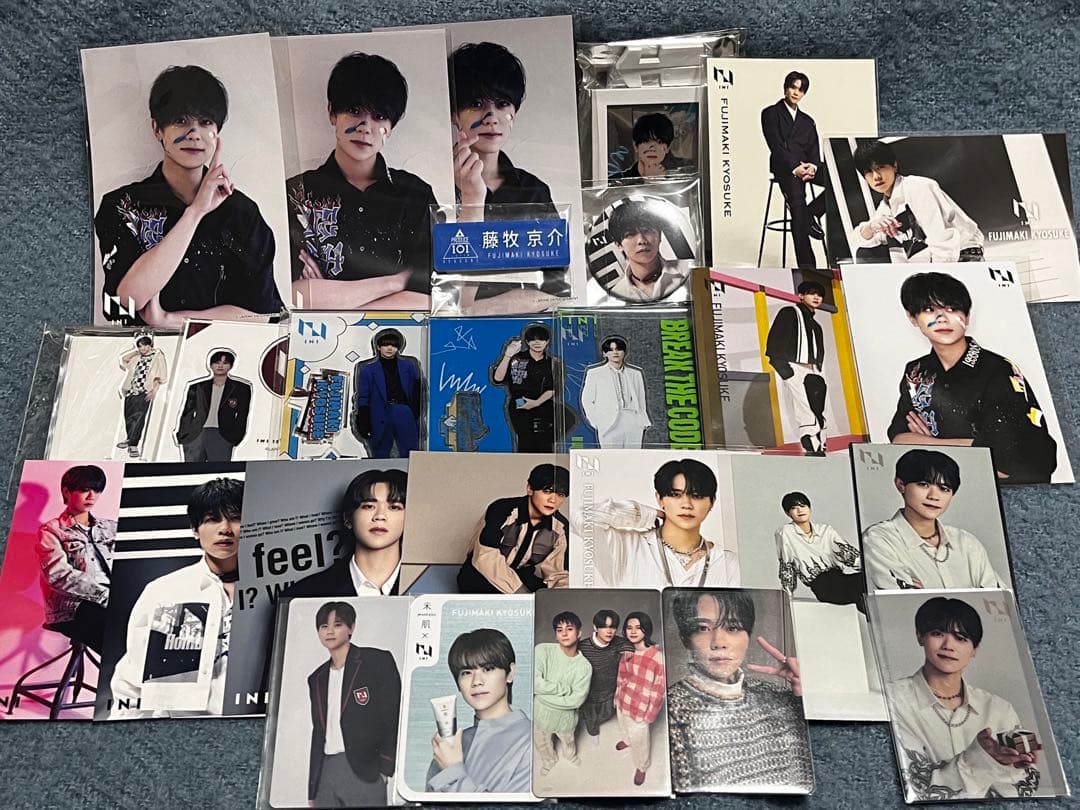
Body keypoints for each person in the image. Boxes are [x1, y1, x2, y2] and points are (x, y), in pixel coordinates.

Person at [94, 65, 283, 327]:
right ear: (157, 129)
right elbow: (121, 305)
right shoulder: (123, 206)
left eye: (205, 122)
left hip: (224, 349)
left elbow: (263, 315)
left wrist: (174, 320)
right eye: (180, 120)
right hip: (144, 348)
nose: (194, 134)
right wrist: (194, 213)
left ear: (217, 132)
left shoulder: (241, 213)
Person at [287, 53, 435, 311]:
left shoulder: (415, 194)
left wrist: (335, 304)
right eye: (354, 111)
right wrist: (395, 282)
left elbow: (428, 298)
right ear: (332, 114)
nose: (365, 127)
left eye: (379, 116)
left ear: (391, 127)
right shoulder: (297, 194)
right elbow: (293, 296)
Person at [885, 271, 1058, 483]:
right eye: (929, 310)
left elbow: (1007, 458)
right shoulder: (916, 371)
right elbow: (898, 440)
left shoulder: (998, 370)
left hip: (1011, 490)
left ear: (966, 317)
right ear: (913, 318)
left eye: (952, 309)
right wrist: (970, 448)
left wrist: (929, 444)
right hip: (948, 485)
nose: (942, 318)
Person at [449, 41, 566, 315]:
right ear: (455, 115)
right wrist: (472, 200)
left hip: (527, 329)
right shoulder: (431, 188)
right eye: (476, 104)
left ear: (514, 113)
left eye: (502, 104)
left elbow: (557, 292)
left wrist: (483, 308)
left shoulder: (533, 191)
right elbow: (449, 301)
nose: (492, 118)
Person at [110, 477, 242, 717]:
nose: (225, 528)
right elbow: (132, 676)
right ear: (195, 530)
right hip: (179, 725)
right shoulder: (165, 591)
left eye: (235, 517)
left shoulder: (274, 589)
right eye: (212, 519)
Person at [889, 597, 1040, 800]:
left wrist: (1003, 762)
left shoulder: (999, 709)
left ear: (974, 649)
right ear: (920, 636)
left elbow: (1024, 786)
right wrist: (982, 760)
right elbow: (915, 787)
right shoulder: (893, 699)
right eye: (937, 633)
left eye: (961, 638)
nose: (948, 645)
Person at [667, 590, 813, 793]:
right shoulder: (671, 709)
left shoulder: (781, 697)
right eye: (703, 628)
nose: (719, 642)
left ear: (748, 635)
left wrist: (808, 696)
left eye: (732, 627)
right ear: (685, 638)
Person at [862, 449, 1005, 592]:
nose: (934, 496)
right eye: (923, 484)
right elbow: (902, 600)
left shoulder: (966, 542)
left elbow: (998, 599)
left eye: (944, 488)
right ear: (901, 485)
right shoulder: (879, 538)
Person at [587, 458, 740, 589]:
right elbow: (582, 518)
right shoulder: (626, 547)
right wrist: (644, 515)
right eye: (675, 495)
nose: (686, 504)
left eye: (697, 495)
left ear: (712, 502)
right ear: (660, 499)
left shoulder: (728, 564)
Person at [306, 601, 401, 807]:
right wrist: (313, 787)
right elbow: (318, 731)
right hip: (325, 771)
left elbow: (393, 715)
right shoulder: (317, 678)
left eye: (337, 624)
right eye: (324, 626)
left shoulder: (376, 661)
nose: (330, 631)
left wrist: (385, 767)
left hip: (364, 768)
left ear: (351, 628)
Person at [426, 628, 532, 793]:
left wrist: (452, 772)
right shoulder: (451, 746)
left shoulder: (535, 740)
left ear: (510, 673)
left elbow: (513, 806)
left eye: (488, 669)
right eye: (466, 672)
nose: (476, 681)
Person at [279, 469, 408, 599]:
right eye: (368, 506)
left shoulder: (421, 588)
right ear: (348, 518)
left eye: (394, 507)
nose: (380, 516)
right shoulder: (301, 595)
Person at [850, 139, 984, 263]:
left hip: (963, 254)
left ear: (894, 166)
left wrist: (936, 276)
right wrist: (872, 226)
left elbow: (942, 240)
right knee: (865, 253)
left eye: (880, 167)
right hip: (936, 258)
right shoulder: (886, 206)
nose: (876, 176)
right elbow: (858, 240)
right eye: (869, 171)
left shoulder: (917, 187)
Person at [35, 465, 116, 655]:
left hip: (113, 600)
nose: (92, 496)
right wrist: (104, 595)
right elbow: (58, 575)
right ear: (66, 492)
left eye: (96, 490)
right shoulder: (51, 531)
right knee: (114, 636)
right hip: (72, 607)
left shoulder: (111, 528)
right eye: (85, 489)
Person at [457, 464, 569, 594]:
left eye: (560, 494)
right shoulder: (501, 510)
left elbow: (558, 573)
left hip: (520, 575)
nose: (553, 500)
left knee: (544, 594)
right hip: (481, 574)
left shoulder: (560, 526)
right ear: (529, 489)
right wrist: (521, 594)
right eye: (547, 491)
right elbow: (485, 558)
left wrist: (560, 597)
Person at [759, 70, 826, 269]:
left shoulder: (807, 120)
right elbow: (775, 145)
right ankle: (808, 268)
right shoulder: (771, 113)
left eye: (801, 90)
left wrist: (813, 165)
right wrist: (795, 167)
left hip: (806, 167)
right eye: (793, 87)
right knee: (797, 208)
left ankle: (811, 213)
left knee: (839, 178)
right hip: (785, 168)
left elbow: (814, 148)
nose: (796, 93)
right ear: (785, 88)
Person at [765, 279, 828, 455]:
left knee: (817, 408)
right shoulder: (790, 312)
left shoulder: (816, 325)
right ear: (801, 295)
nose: (816, 297)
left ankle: (820, 445)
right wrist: (787, 372)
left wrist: (818, 369)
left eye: (820, 295)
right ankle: (812, 446)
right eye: (812, 293)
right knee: (805, 410)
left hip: (813, 370)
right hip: (795, 367)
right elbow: (774, 343)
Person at [774, 491, 863, 605]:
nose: (800, 511)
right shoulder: (785, 532)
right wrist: (788, 596)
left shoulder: (825, 530)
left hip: (839, 577)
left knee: (865, 584)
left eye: (803, 506)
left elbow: (847, 554)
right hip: (822, 586)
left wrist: (868, 571)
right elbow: (786, 564)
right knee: (858, 591)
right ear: (787, 513)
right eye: (794, 508)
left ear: (809, 508)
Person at [533, 611, 593, 775]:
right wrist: (564, 689)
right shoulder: (543, 650)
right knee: (542, 743)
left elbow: (576, 701)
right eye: (559, 630)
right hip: (540, 715)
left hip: (565, 719)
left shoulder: (584, 666)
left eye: (569, 629)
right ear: (556, 635)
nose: (564, 633)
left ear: (579, 633)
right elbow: (534, 683)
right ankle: (549, 760)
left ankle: (570, 756)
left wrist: (542, 697)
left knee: (568, 742)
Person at [614, 612, 666, 787]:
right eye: (629, 628)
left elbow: (659, 690)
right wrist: (617, 695)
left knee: (640, 740)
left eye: (638, 627)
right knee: (623, 725)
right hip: (623, 700)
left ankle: (641, 766)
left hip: (641, 709)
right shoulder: (627, 652)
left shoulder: (657, 657)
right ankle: (626, 740)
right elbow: (621, 676)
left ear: (646, 630)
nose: (633, 631)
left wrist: (650, 715)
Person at [355, 328, 423, 458]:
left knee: (410, 452)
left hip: (404, 411)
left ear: (398, 348)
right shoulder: (367, 370)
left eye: (393, 345)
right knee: (380, 451)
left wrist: (414, 411)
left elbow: (417, 390)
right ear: (378, 347)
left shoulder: (409, 366)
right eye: (385, 345)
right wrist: (363, 419)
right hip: (379, 412)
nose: (389, 348)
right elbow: (363, 396)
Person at [490, 323, 558, 453]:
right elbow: (498, 378)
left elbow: (553, 388)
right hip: (520, 402)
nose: (537, 343)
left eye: (541, 339)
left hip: (544, 404)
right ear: (527, 341)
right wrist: (507, 355)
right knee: (525, 439)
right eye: (532, 339)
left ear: (547, 341)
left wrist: (537, 402)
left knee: (544, 441)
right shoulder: (516, 359)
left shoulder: (552, 363)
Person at [175, 350, 252, 462]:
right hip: (196, 434)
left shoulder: (241, 389)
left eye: (225, 363)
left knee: (218, 470)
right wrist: (184, 434)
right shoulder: (197, 387)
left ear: (231, 366)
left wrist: (235, 437)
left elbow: (242, 415)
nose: (220, 366)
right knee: (191, 470)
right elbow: (187, 412)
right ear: (210, 365)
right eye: (217, 362)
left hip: (223, 435)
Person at [605, 200, 688, 302]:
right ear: (619, 245)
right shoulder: (616, 293)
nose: (641, 240)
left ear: (659, 237)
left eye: (647, 231)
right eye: (630, 234)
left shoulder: (689, 271)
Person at [580, 335, 651, 449]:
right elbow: (587, 400)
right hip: (609, 422)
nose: (615, 353)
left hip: (632, 420)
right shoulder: (595, 373)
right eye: (611, 350)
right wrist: (596, 421)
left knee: (633, 456)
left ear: (624, 352)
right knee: (611, 456)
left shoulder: (635, 374)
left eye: (618, 349)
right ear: (605, 354)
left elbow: (641, 399)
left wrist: (642, 420)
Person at [577, 610, 634, 746]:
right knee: (591, 719)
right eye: (604, 627)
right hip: (590, 695)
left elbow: (627, 642)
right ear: (595, 627)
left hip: (609, 691)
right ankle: (593, 734)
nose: (609, 631)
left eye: (612, 627)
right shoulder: (583, 647)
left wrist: (629, 648)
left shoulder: (617, 642)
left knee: (607, 714)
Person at [117, 334, 168, 457]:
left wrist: (154, 391)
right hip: (130, 390)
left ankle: (133, 445)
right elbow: (123, 359)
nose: (143, 348)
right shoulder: (136, 357)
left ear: (150, 345)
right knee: (129, 417)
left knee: (139, 418)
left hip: (144, 391)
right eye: (140, 346)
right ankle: (130, 439)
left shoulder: (157, 356)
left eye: (145, 345)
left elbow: (161, 376)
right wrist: (136, 350)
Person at [613, 112, 676, 181]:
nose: (653, 148)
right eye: (646, 141)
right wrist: (650, 181)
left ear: (667, 148)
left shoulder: (676, 183)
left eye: (659, 142)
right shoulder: (616, 180)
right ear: (635, 146)